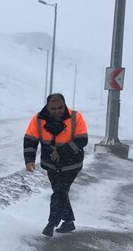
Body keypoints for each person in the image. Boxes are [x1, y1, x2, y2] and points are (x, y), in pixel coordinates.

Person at [23, 93, 88, 237]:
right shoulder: (38, 119)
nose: (57, 111)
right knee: (61, 192)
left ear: (64, 105)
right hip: (51, 164)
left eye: (60, 108)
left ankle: (51, 223)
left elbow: (82, 140)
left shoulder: (76, 117)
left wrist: (61, 151)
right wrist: (29, 160)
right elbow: (30, 140)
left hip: (72, 164)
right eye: (53, 108)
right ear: (47, 106)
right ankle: (69, 222)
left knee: (59, 192)